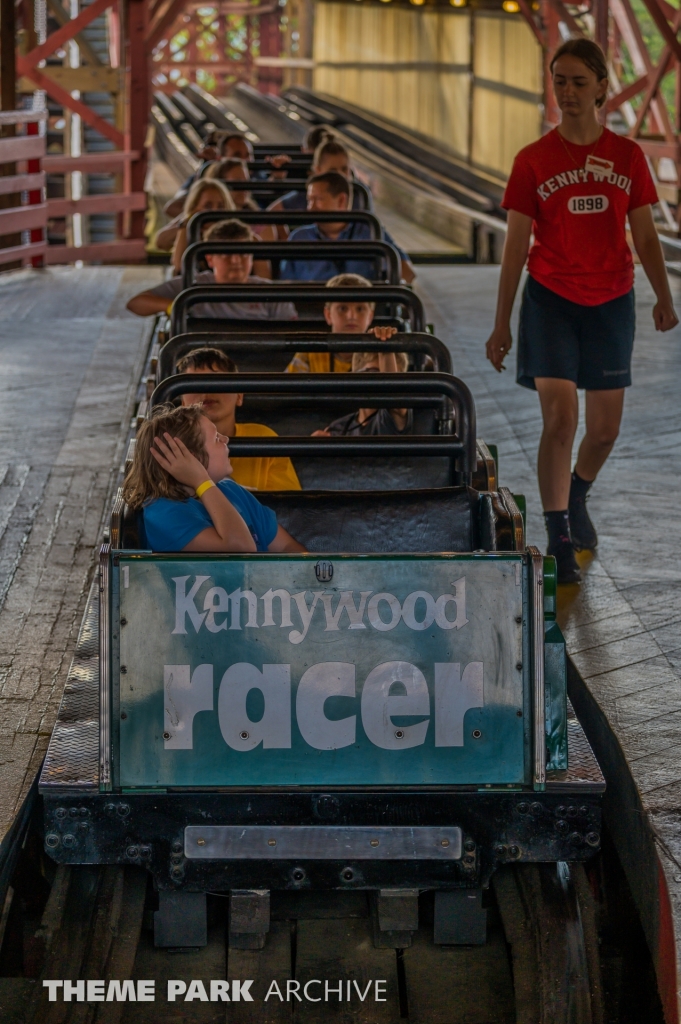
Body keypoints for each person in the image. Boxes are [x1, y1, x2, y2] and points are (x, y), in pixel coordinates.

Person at [485, 38, 678, 584]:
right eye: (559, 81)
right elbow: (516, 248)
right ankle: (559, 535)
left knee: (604, 430)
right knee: (561, 420)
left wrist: (663, 295)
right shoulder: (533, 161)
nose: (566, 92)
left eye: (577, 82)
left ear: (601, 87)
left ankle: (577, 496)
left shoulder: (627, 157)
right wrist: (501, 322)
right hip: (551, 301)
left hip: (612, 301)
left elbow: (643, 232)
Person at [123, 405, 305, 554]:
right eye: (217, 438)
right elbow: (240, 548)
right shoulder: (163, 513)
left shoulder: (231, 490)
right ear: (191, 459)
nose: (226, 439)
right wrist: (202, 482)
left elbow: (287, 547)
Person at [177, 347, 301, 491]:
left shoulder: (264, 440)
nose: (206, 391)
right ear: (183, 404)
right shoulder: (173, 446)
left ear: (239, 395)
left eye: (216, 381)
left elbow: (285, 509)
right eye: (195, 384)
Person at [126, 219, 297, 321]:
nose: (236, 260)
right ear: (209, 259)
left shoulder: (271, 293)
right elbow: (136, 304)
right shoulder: (192, 286)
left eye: (243, 253)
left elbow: (292, 334)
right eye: (226, 254)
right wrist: (174, 306)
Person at [279, 172, 415, 283]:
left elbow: (407, 273)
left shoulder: (369, 232)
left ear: (341, 200)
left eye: (318, 200)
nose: (311, 208)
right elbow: (286, 284)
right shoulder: (299, 238)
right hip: (310, 312)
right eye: (309, 200)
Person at [286, 273, 397, 373]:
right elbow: (288, 392)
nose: (351, 316)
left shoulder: (380, 356)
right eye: (342, 308)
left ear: (370, 316)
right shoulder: (310, 353)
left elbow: (394, 393)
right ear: (328, 315)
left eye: (360, 309)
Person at [313, 348, 411, 437]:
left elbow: (393, 398)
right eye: (374, 373)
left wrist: (385, 345)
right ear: (356, 377)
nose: (382, 383)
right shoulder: (339, 428)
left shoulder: (394, 418)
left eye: (389, 372)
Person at [156, 178, 235, 268]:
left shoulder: (236, 232)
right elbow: (178, 265)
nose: (215, 211)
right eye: (208, 206)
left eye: (221, 207)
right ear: (195, 208)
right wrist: (188, 223)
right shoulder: (189, 226)